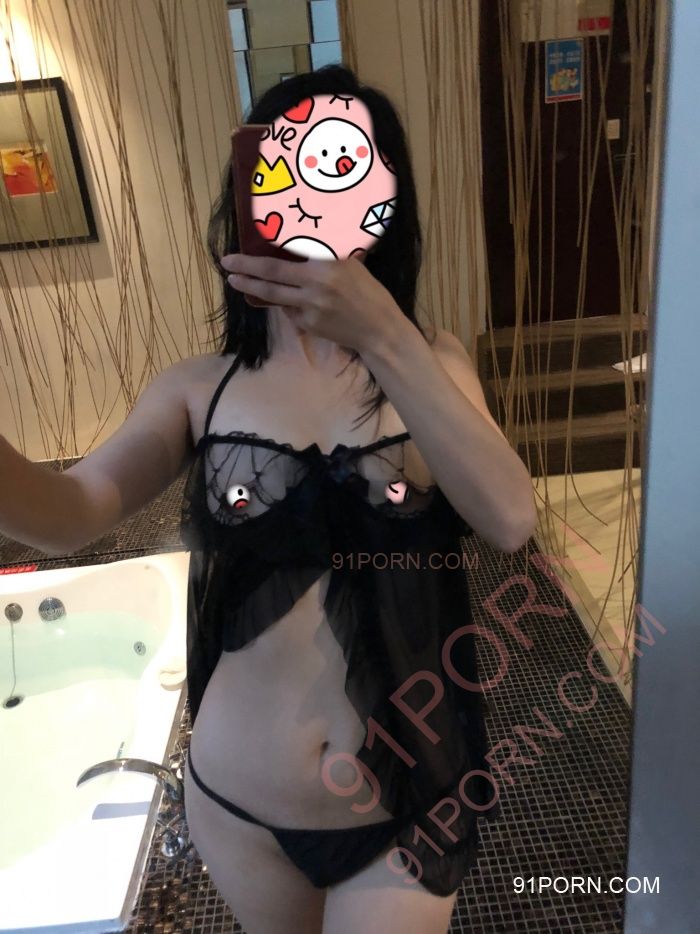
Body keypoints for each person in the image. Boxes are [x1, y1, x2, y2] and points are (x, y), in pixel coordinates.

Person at [0, 65, 536, 934]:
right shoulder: (197, 389)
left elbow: (510, 519)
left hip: (402, 801)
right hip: (238, 805)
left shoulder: (431, 364)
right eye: (280, 170)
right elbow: (68, 516)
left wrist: (383, 332)